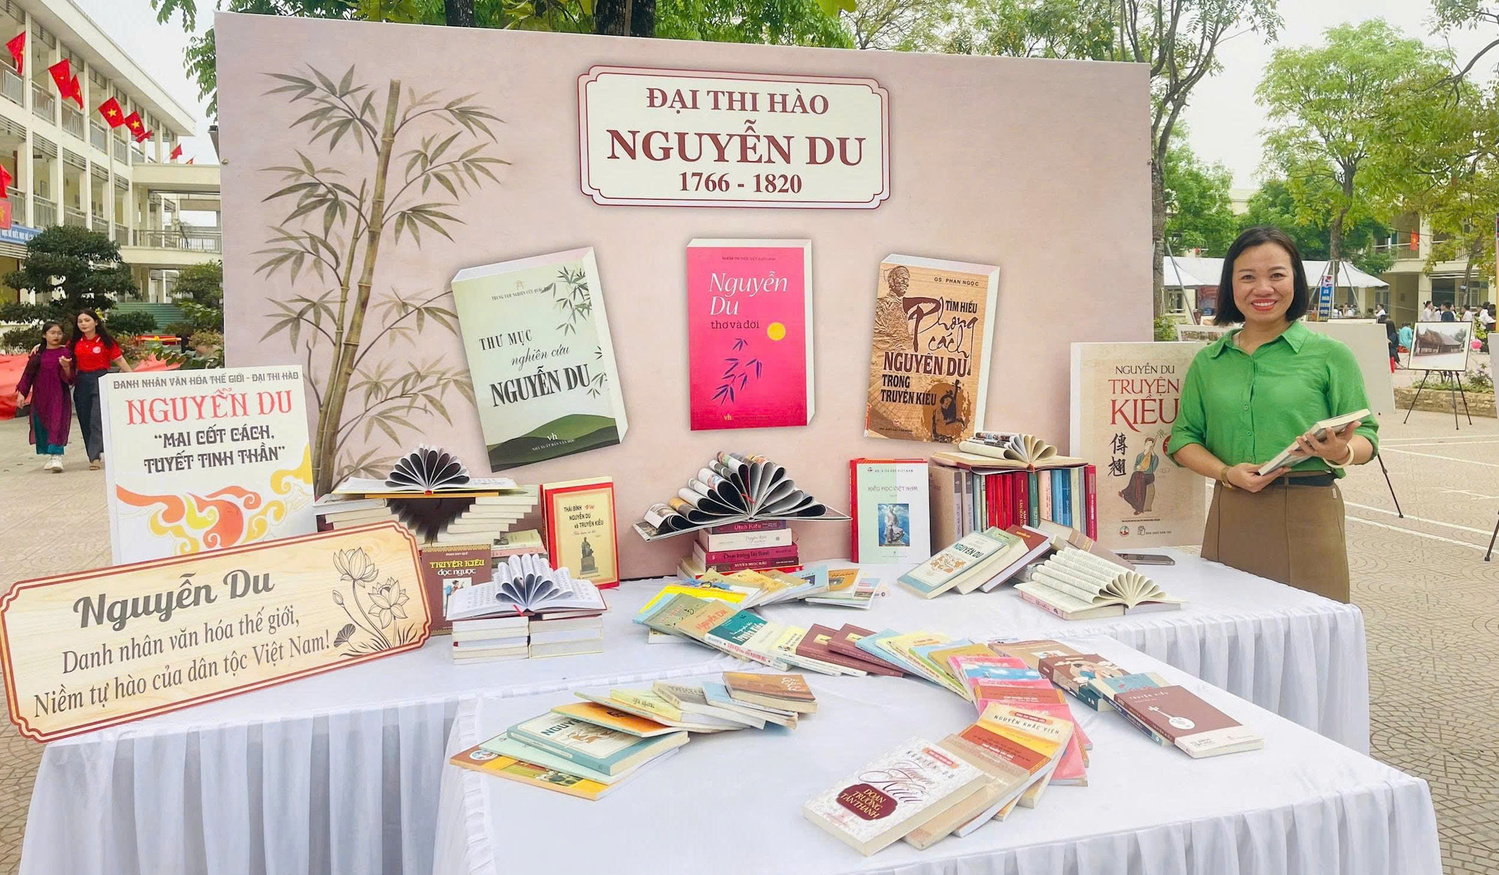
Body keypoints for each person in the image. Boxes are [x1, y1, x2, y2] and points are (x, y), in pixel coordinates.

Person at [1169, 226, 1377, 602]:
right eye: (1248, 277)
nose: (1263, 289)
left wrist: (1340, 451)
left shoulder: (1331, 355)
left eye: (1277, 275)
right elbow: (1183, 440)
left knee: (1309, 627)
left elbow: (1368, 437)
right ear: (1230, 285)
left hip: (1308, 514)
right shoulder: (1208, 362)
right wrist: (1226, 473)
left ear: (1295, 279)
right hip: (1231, 511)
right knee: (1228, 625)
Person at [70, 309, 133, 470]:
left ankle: (95, 456)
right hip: (82, 381)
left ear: (96, 322)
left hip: (101, 379)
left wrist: (133, 378)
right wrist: (41, 346)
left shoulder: (105, 341)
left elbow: (119, 360)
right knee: (84, 419)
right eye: (80, 321)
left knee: (96, 418)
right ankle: (93, 454)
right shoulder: (75, 342)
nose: (83, 324)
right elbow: (59, 351)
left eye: (87, 320)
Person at [14, 322, 75, 472]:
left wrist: (66, 367)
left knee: (57, 423)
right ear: (44, 335)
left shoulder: (66, 353)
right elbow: (28, 374)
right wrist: (22, 393)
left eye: (59, 333)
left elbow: (71, 378)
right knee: (42, 424)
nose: (56, 336)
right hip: (40, 396)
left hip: (59, 396)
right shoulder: (38, 354)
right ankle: (51, 455)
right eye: (52, 333)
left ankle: (57, 456)